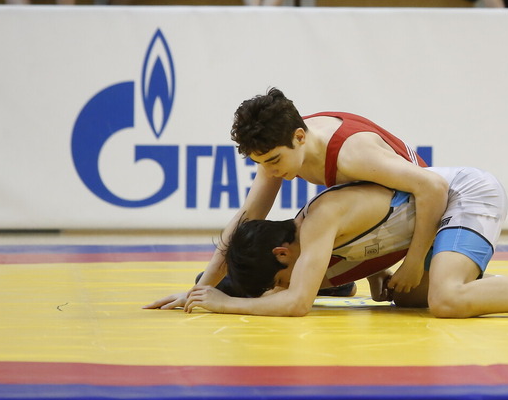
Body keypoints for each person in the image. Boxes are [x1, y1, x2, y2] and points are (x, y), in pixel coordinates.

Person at [144, 88, 447, 310]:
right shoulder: (281, 143)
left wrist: (414, 262)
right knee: (244, 271)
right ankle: (340, 281)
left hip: (421, 217)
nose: (270, 171)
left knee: (310, 244)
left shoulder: (353, 154)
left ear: (300, 137)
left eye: (274, 160)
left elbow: (432, 189)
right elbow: (246, 219)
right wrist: (199, 290)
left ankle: (341, 280)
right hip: (380, 222)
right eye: (261, 163)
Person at [182, 165, 508, 320]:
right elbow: (311, 288)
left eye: (279, 277)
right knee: (407, 298)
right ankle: (491, 286)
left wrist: (225, 304)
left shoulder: (316, 223)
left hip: (462, 193)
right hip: (433, 216)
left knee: (446, 300)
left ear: (282, 253)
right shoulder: (309, 252)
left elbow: (295, 302)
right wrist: (205, 289)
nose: (283, 286)